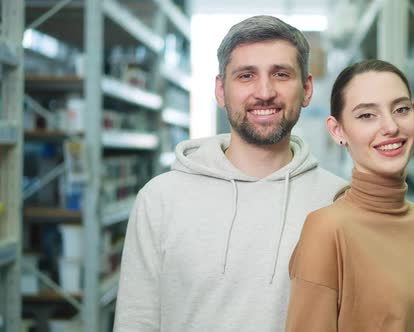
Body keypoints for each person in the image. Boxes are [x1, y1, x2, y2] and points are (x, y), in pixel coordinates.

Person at [114, 15, 346, 332]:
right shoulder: (160, 199)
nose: (264, 92)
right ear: (221, 90)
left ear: (306, 89)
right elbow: (135, 321)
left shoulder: (340, 202)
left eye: (281, 74)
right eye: (246, 76)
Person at [285, 59, 414, 331]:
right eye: (367, 115)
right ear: (338, 130)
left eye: (401, 109)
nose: (391, 126)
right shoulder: (327, 230)